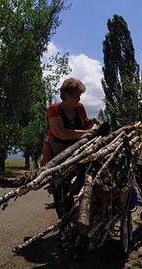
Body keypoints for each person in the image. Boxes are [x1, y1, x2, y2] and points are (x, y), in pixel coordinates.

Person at [41, 78, 99, 219]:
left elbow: (84, 126)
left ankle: (78, 215)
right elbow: (60, 133)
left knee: (81, 184)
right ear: (66, 95)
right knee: (60, 187)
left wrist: (91, 122)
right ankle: (63, 220)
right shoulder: (54, 109)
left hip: (76, 151)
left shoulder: (79, 107)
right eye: (76, 96)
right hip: (57, 153)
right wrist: (86, 133)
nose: (79, 99)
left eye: (80, 96)